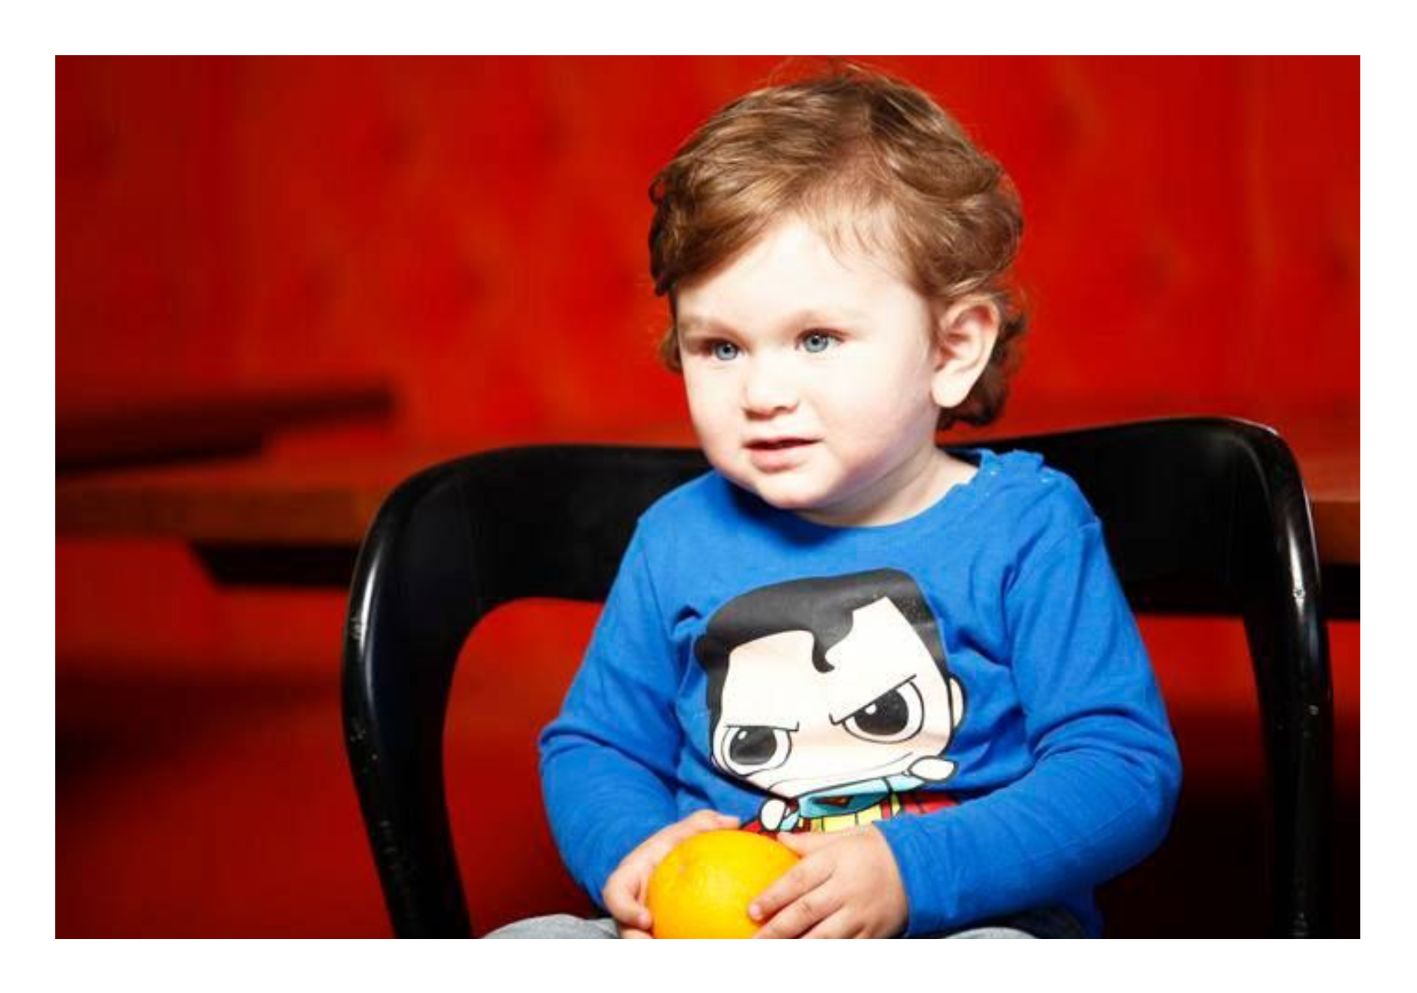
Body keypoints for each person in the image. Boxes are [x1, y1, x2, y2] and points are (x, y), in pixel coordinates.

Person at [486, 64, 1181, 939]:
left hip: (954, 928)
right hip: (714, 932)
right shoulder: (675, 538)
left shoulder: (1026, 526)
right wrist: (638, 850)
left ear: (950, 350)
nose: (762, 392)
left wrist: (911, 871)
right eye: (720, 347)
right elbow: (595, 745)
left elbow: (1118, 769)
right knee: (523, 945)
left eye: (816, 339)